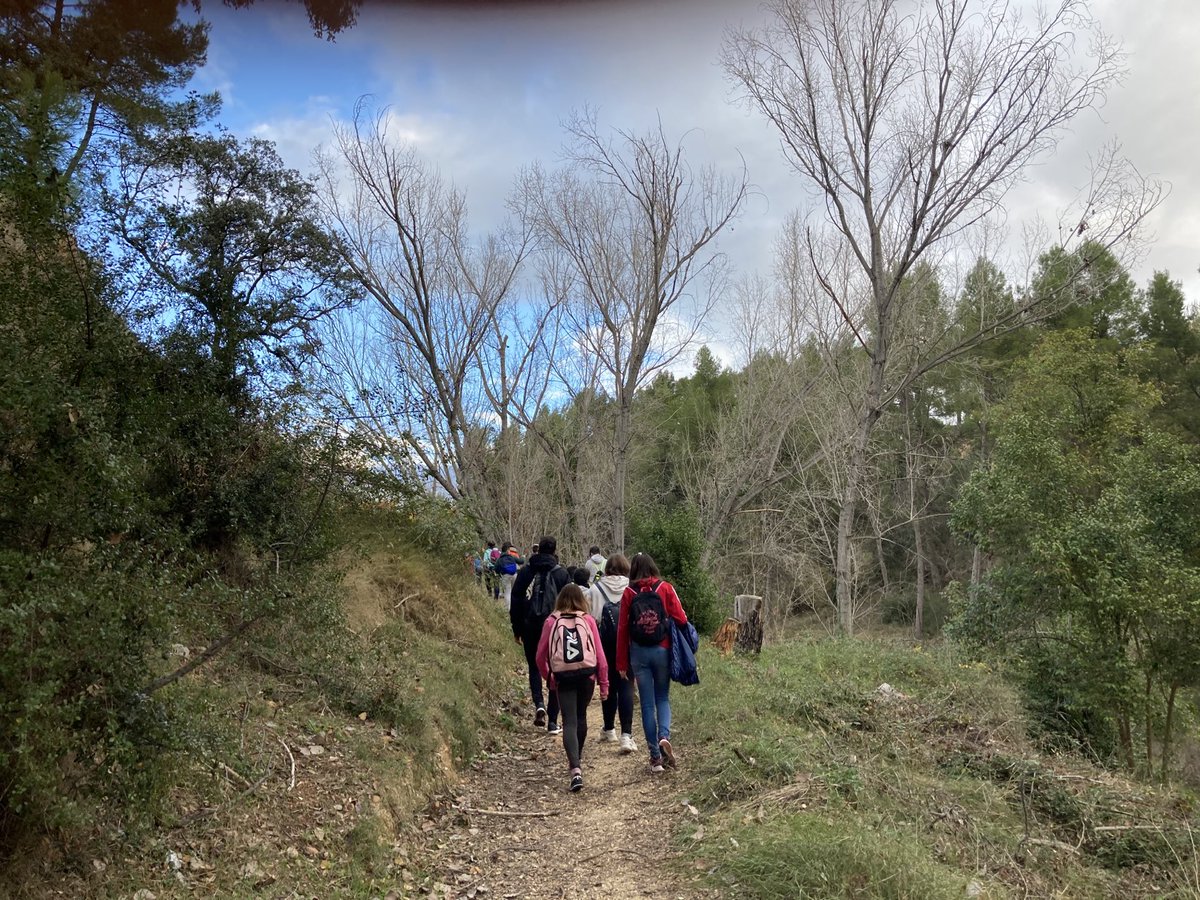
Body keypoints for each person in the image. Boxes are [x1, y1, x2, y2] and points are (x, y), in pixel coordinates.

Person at [616, 552, 689, 773]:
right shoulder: (665, 588)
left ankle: (655, 758)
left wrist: (621, 662)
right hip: (662, 650)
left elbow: (622, 629)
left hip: (639, 653)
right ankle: (663, 736)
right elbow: (682, 618)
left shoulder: (628, 593)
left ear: (633, 570)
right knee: (662, 698)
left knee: (647, 704)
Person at [536, 584, 608, 792]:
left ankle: (575, 768)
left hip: (563, 676)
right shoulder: (588, 620)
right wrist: (604, 684)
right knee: (581, 716)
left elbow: (540, 656)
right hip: (587, 675)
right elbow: (600, 656)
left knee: (569, 720)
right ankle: (578, 758)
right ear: (581, 600)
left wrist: (549, 677)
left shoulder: (551, 621)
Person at [511, 536, 570, 733]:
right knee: (556, 668)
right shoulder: (561, 574)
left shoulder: (526, 572)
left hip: (529, 626)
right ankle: (553, 721)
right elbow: (569, 604)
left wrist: (517, 629)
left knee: (534, 666)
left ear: (537, 550)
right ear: (554, 550)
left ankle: (539, 704)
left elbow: (516, 601)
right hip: (555, 628)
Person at [589, 554, 636, 754]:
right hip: (627, 641)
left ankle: (609, 728)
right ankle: (627, 735)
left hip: (604, 642)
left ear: (607, 568)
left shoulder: (596, 589)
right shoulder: (631, 587)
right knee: (626, 684)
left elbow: (592, 617)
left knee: (607, 683)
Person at [496, 541, 524, 611]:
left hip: (505, 576)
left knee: (507, 593)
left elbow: (496, 569)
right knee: (515, 591)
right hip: (514, 574)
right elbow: (521, 561)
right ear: (507, 550)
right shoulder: (512, 557)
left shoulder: (499, 559)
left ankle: (508, 609)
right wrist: (523, 557)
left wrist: (499, 573)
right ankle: (516, 607)